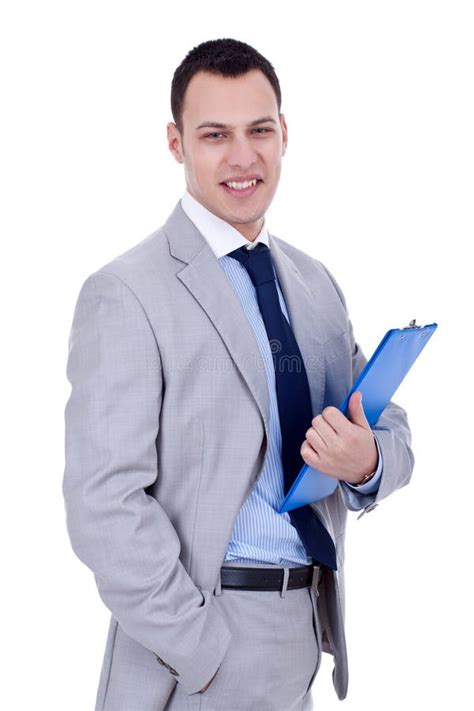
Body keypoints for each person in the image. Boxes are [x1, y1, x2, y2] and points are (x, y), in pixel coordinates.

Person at [62, 38, 414, 711]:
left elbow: (389, 426)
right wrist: (203, 648)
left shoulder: (313, 285)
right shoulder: (127, 292)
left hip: (303, 632)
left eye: (259, 130)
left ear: (284, 134)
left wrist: (364, 457)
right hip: (195, 650)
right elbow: (103, 503)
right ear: (177, 143)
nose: (242, 156)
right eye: (214, 135)